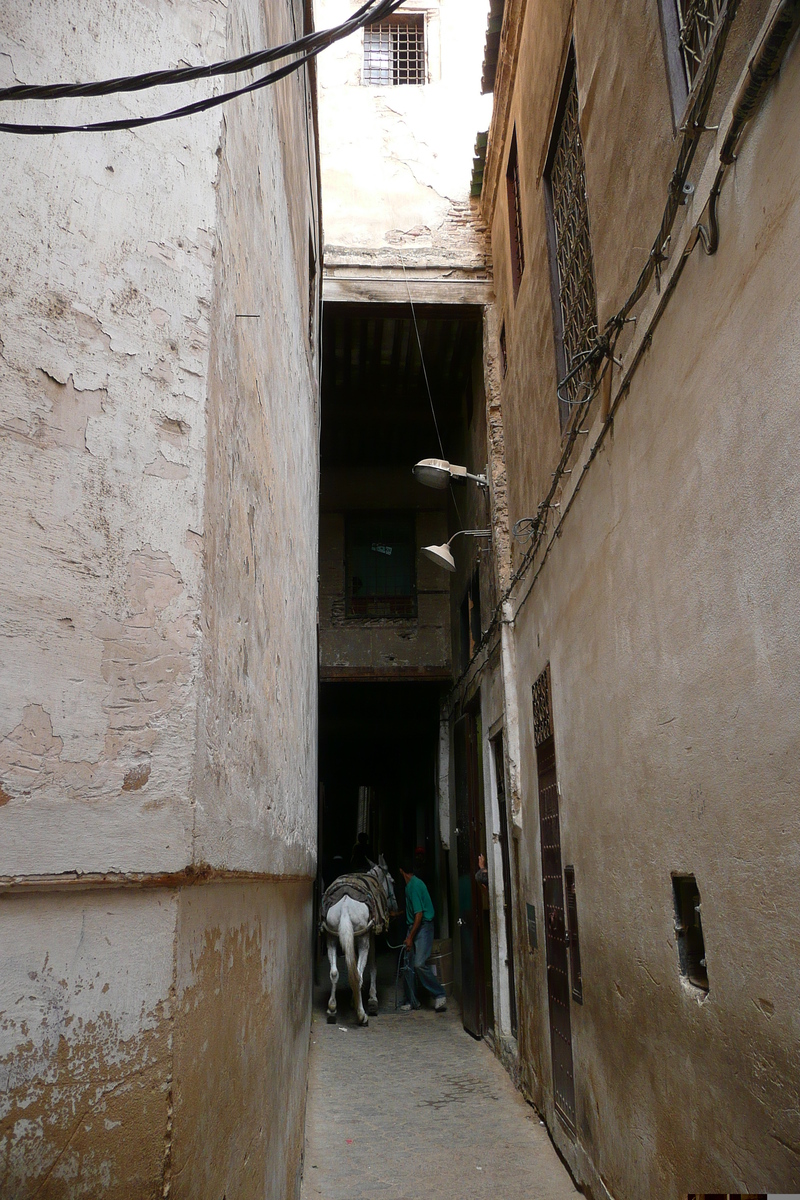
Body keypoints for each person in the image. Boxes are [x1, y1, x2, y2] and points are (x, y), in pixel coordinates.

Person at [398, 856, 447, 1013]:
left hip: (423, 927)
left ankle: (439, 994)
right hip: (414, 925)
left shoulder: (413, 886)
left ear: (401, 871)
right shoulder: (411, 885)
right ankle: (411, 1000)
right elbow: (413, 911)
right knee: (407, 964)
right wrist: (397, 914)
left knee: (418, 964)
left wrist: (410, 937)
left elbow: (419, 915)